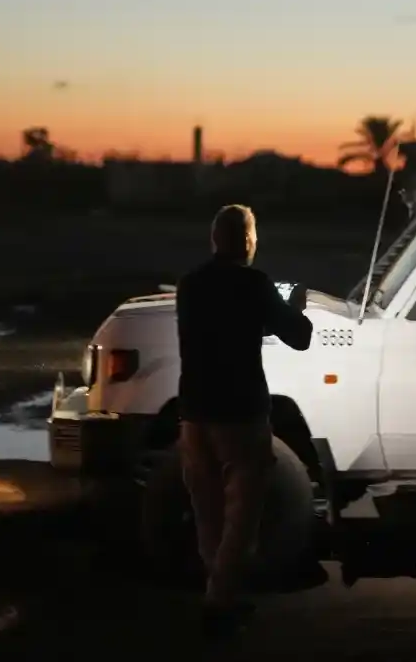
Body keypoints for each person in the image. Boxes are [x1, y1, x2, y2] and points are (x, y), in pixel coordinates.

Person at [174, 204, 313, 631]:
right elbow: (301, 337)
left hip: (194, 411)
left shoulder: (190, 285)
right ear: (249, 241)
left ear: (215, 240)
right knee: (242, 511)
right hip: (240, 412)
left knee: (207, 509)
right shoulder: (254, 284)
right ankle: (220, 601)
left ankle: (218, 589)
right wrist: (291, 307)